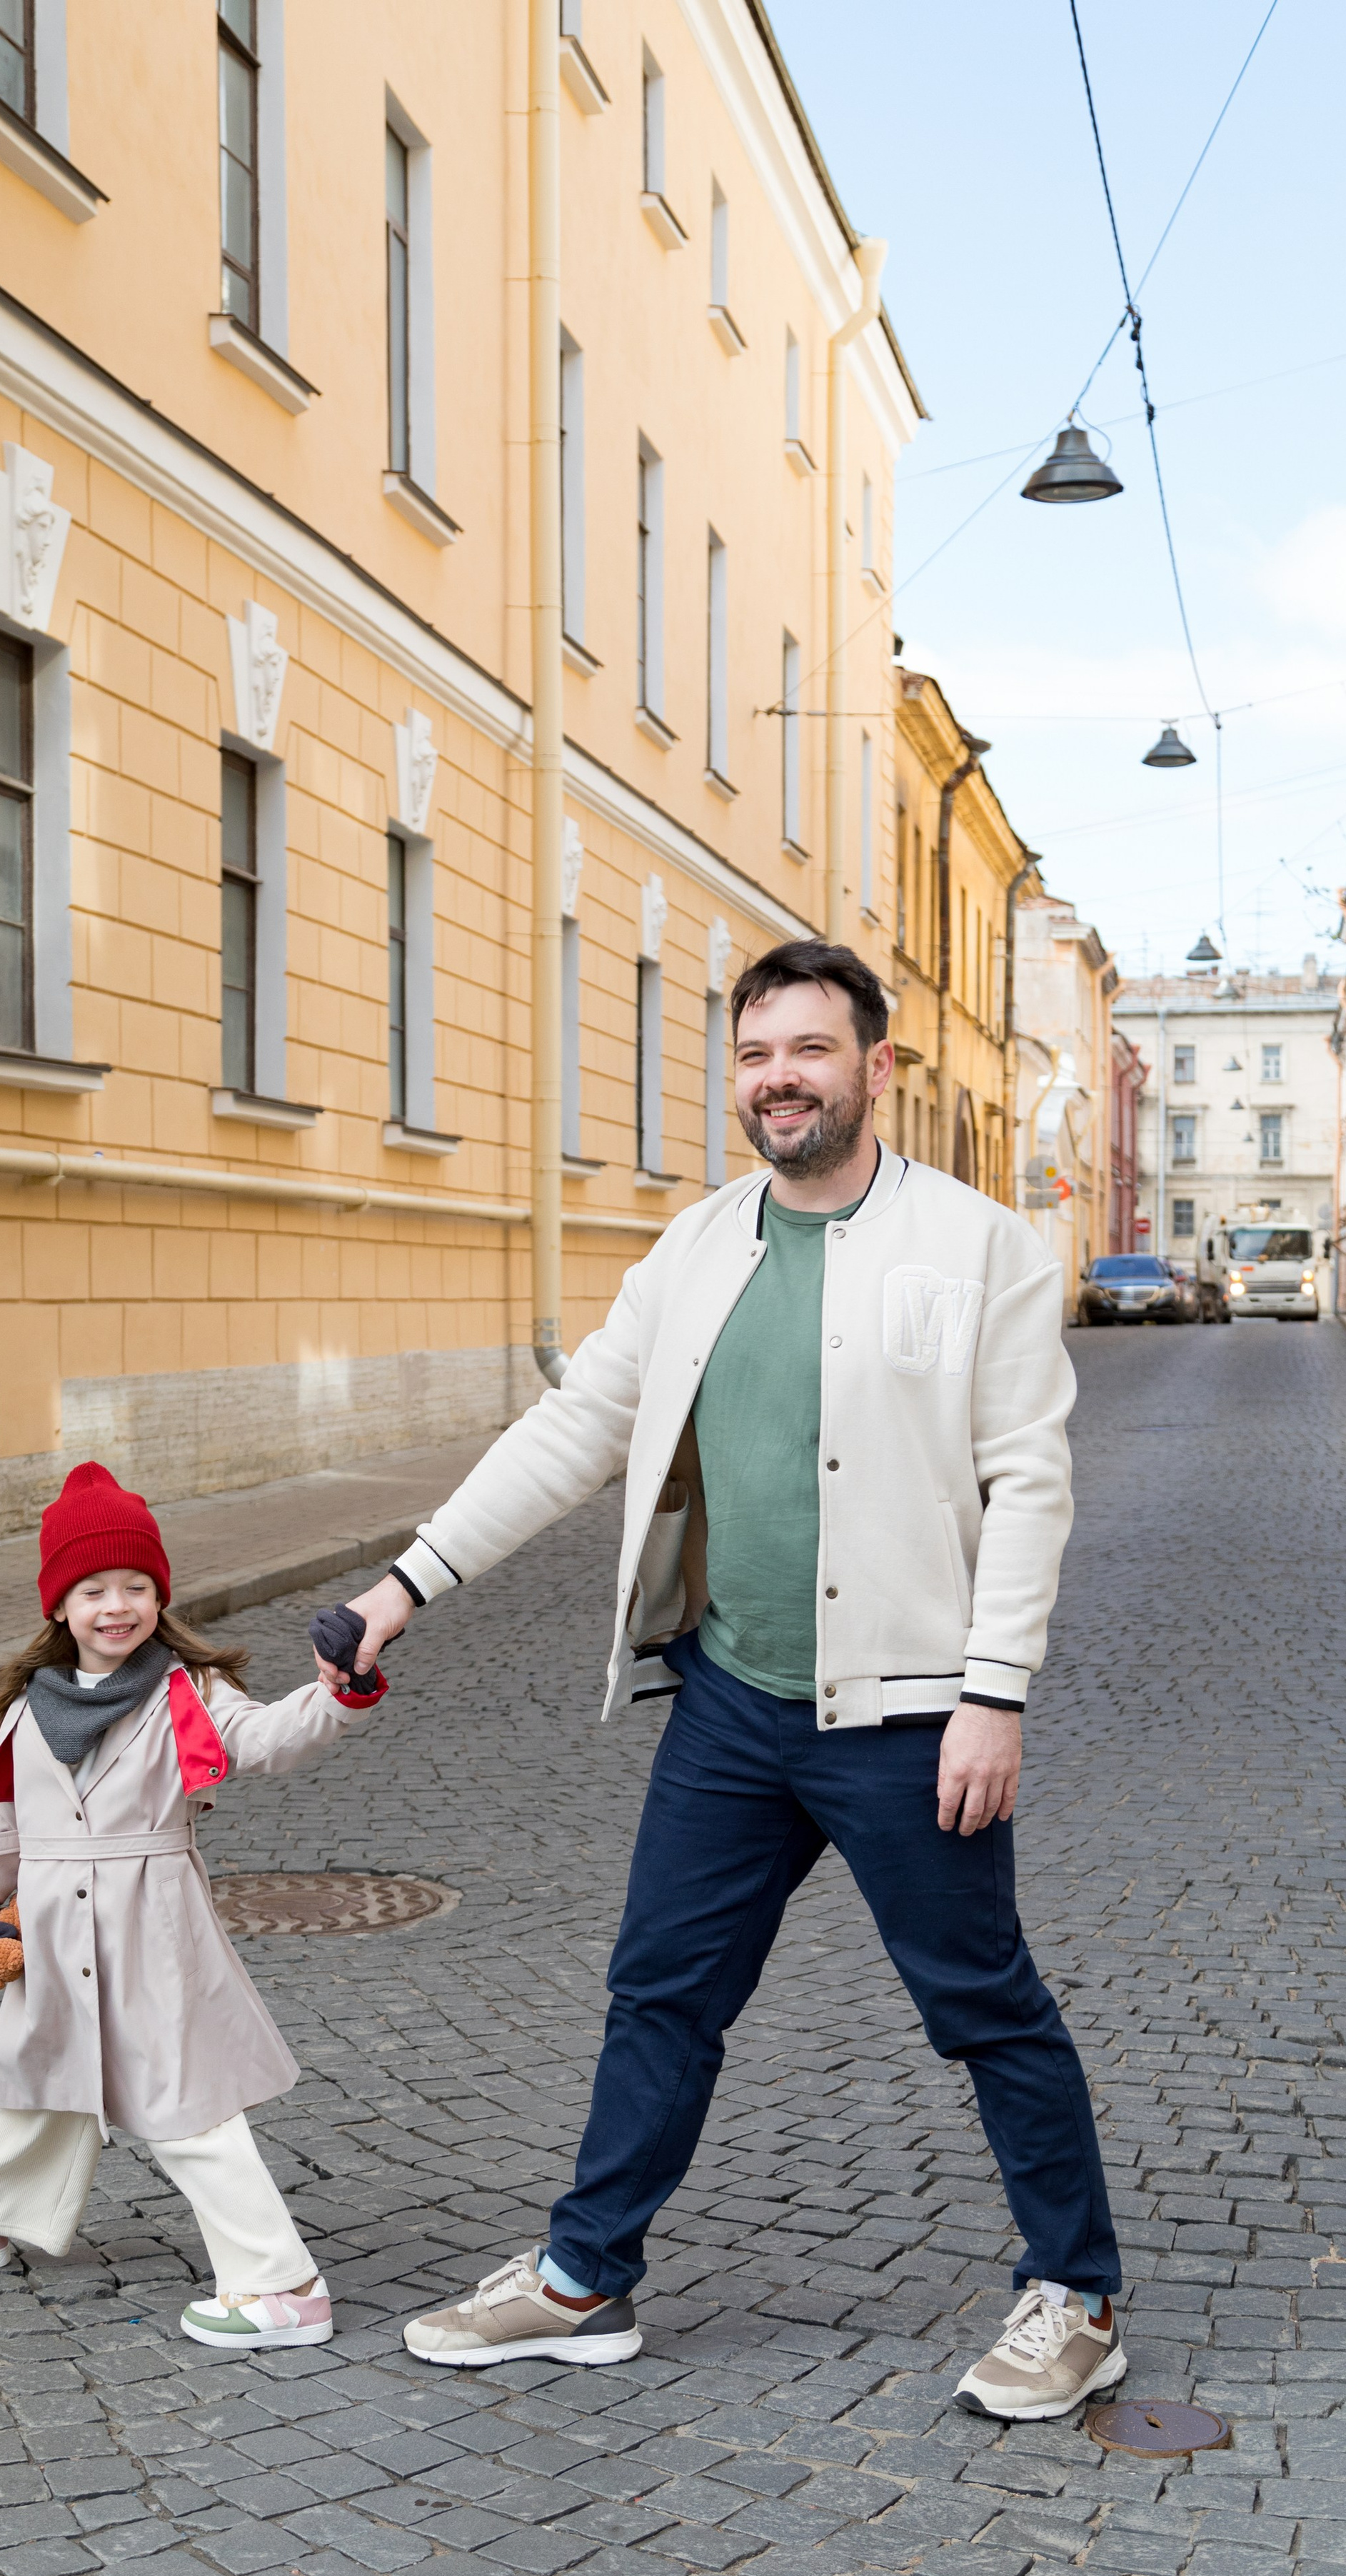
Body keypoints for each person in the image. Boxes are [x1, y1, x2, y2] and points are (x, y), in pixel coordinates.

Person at [321, 938, 1124, 2420]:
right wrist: (403, 1584)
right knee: (659, 1992)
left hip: (908, 1716)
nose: (777, 1081)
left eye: (808, 1052)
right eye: (754, 1056)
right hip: (734, 1706)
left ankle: (1071, 2291)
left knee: (980, 2003)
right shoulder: (693, 1250)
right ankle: (582, 2278)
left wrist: (992, 1692)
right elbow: (570, 1432)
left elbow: (1027, 1483)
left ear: (876, 1069)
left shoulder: (980, 1250)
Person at [0, 1461, 387, 2352]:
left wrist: (341, 1693)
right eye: (94, 1588)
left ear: (160, 1597)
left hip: (152, 1926)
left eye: (137, 1587)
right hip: (54, 1928)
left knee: (183, 2102)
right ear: (59, 1607)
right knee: (36, 2086)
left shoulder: (186, 1693)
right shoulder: (23, 1713)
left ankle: (283, 2284)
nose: (118, 1605)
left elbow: (266, 1739)